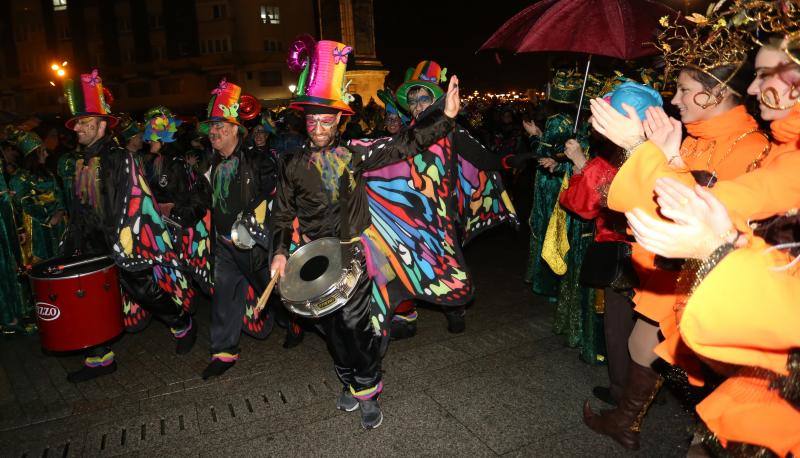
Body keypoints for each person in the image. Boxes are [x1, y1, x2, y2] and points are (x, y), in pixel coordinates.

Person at [585, 5, 799, 450]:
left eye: (682, 89)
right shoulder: (705, 136)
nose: (755, 88)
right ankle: (634, 419)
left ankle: (638, 420)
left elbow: (712, 209)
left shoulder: (759, 148)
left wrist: (644, 152)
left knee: (690, 382)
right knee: (647, 353)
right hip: (692, 281)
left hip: (733, 305)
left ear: (713, 92)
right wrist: (669, 156)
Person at [272, 41, 463, 429]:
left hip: (354, 253)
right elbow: (281, 214)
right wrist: (278, 252)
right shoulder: (290, 164)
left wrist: (445, 117)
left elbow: (404, 144)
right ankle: (349, 381)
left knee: (356, 326)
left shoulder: (355, 154)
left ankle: (369, 389)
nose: (321, 128)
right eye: (314, 122)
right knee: (330, 331)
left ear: (340, 122)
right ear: (305, 122)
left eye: (328, 121)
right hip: (312, 258)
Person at [59, 69, 196, 382]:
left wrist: (121, 242)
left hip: (124, 242)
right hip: (91, 245)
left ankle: (182, 322)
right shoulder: (80, 161)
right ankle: (99, 358)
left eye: (84, 121)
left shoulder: (121, 158)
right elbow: (80, 208)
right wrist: (73, 242)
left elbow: (133, 201)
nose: (77, 127)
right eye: (76, 122)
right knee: (91, 301)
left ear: (103, 124)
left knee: (146, 291)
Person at [388, 60, 529, 339]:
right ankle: (405, 315)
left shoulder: (451, 129)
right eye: (413, 101)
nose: (418, 105)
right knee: (404, 260)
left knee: (445, 261)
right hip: (413, 210)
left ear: (436, 101)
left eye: (423, 98)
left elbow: (483, 158)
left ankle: (454, 308)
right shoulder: (406, 135)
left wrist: (511, 159)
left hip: (443, 211)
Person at [560, 82, 662, 404]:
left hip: (622, 255)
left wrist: (578, 163)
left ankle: (622, 394)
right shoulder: (662, 152)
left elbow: (580, 205)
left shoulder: (611, 162)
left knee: (619, 329)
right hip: (658, 259)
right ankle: (652, 389)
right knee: (650, 328)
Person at [201, 79, 276, 380]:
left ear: (235, 129)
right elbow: (202, 201)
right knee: (224, 296)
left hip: (253, 246)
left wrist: (256, 229)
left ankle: (297, 324)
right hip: (223, 246)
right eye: (211, 127)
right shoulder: (212, 164)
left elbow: (274, 200)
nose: (213, 132)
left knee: (275, 294)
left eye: (219, 126)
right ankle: (223, 351)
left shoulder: (258, 161)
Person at [524, 70, 584, 300]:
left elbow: (543, 153)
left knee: (549, 228)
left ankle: (550, 284)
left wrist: (532, 135)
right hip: (564, 179)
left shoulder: (556, 121)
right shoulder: (572, 121)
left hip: (552, 183)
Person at [8, 130, 67, 264]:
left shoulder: (48, 174)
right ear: (34, 154)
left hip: (59, 227)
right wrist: (48, 219)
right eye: (43, 151)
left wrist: (60, 212)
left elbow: (59, 194)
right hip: (37, 232)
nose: (46, 154)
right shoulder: (18, 179)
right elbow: (23, 205)